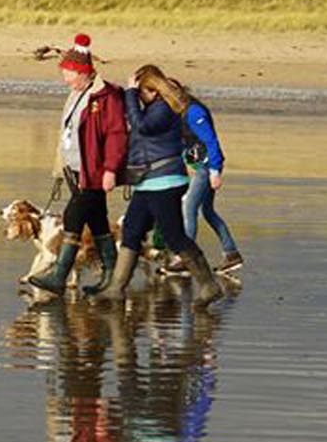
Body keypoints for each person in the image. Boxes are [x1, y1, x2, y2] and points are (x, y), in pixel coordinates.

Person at [85, 66, 223, 305]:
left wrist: (130, 94)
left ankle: (209, 285)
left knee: (174, 236)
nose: (137, 97)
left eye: (140, 92)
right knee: (131, 230)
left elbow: (142, 127)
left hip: (165, 181)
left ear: (153, 91)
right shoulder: (152, 108)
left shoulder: (164, 109)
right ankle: (116, 288)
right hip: (147, 182)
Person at [27, 34, 126, 294]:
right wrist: (61, 169)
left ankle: (59, 276)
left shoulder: (105, 97)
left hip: (93, 171)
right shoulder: (76, 92)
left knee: (72, 216)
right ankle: (112, 278)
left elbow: (116, 135)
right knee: (98, 221)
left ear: (82, 72)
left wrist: (111, 169)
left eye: (68, 73)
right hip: (74, 170)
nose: (65, 78)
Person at [137, 65, 244, 276]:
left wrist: (215, 171)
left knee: (189, 207)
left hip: (206, 167)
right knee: (208, 212)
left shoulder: (194, 112)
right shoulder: (179, 113)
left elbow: (211, 141)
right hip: (199, 166)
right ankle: (231, 254)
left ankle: (185, 259)